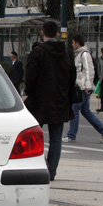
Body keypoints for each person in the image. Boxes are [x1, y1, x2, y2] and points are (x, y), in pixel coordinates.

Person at [23, 21, 74, 180]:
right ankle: (51, 171)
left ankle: (41, 165)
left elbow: (30, 78)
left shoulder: (38, 52)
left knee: (31, 135)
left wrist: (30, 93)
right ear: (57, 34)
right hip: (60, 101)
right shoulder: (66, 52)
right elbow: (72, 77)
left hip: (39, 101)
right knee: (56, 139)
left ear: (43, 34)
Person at [63, 34, 103, 143]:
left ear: (77, 43)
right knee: (86, 111)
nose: (72, 45)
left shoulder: (84, 54)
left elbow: (89, 71)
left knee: (75, 109)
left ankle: (71, 135)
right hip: (82, 87)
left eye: (73, 43)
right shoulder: (79, 54)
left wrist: (87, 86)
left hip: (83, 88)